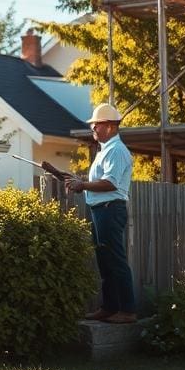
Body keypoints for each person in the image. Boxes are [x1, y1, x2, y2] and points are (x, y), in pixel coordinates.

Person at [64, 103, 136, 323]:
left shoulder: (116, 150)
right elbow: (100, 181)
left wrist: (83, 186)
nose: (93, 129)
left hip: (110, 210)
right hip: (101, 210)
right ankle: (109, 307)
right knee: (104, 260)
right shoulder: (105, 150)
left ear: (110, 126)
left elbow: (110, 183)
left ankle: (127, 310)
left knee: (115, 260)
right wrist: (80, 182)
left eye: (96, 125)